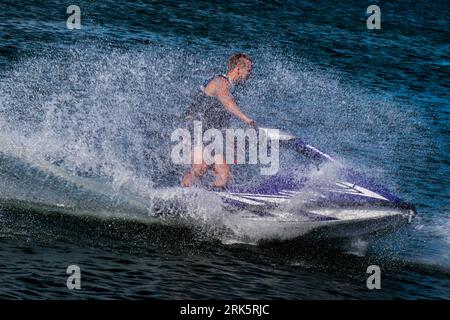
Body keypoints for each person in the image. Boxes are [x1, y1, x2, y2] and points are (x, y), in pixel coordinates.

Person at [181, 53, 255, 188]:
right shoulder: (221, 81)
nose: (250, 75)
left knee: (224, 174)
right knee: (200, 166)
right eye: (249, 71)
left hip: (209, 135)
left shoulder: (232, 87)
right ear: (238, 68)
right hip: (194, 130)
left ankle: (215, 202)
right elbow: (226, 100)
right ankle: (182, 197)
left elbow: (221, 118)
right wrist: (246, 119)